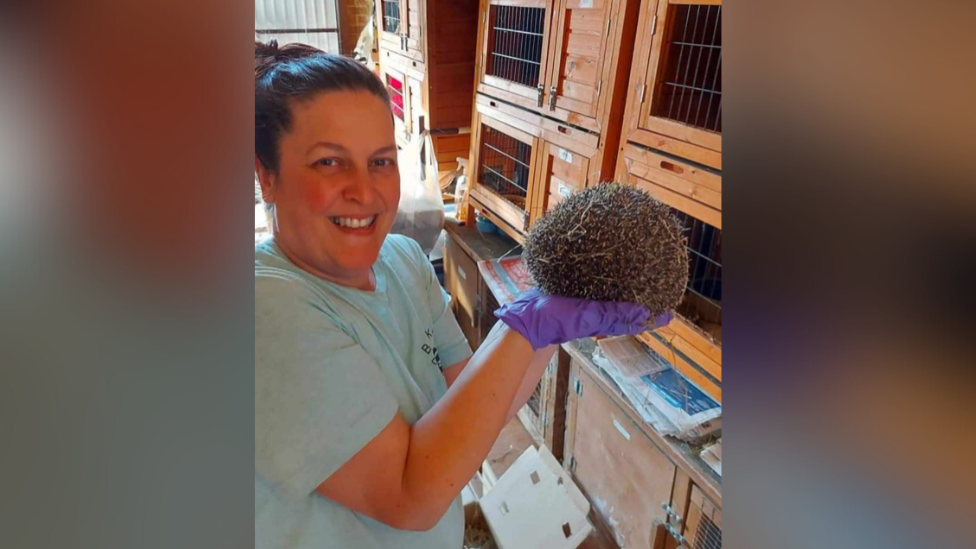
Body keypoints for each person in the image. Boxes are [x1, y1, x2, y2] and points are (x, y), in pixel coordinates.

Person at [254, 41, 670, 549]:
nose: (364, 191)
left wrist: (550, 323)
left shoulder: (404, 260)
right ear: (266, 176)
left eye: (381, 161)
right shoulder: (261, 309)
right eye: (328, 162)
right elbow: (411, 495)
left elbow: (475, 414)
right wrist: (525, 326)